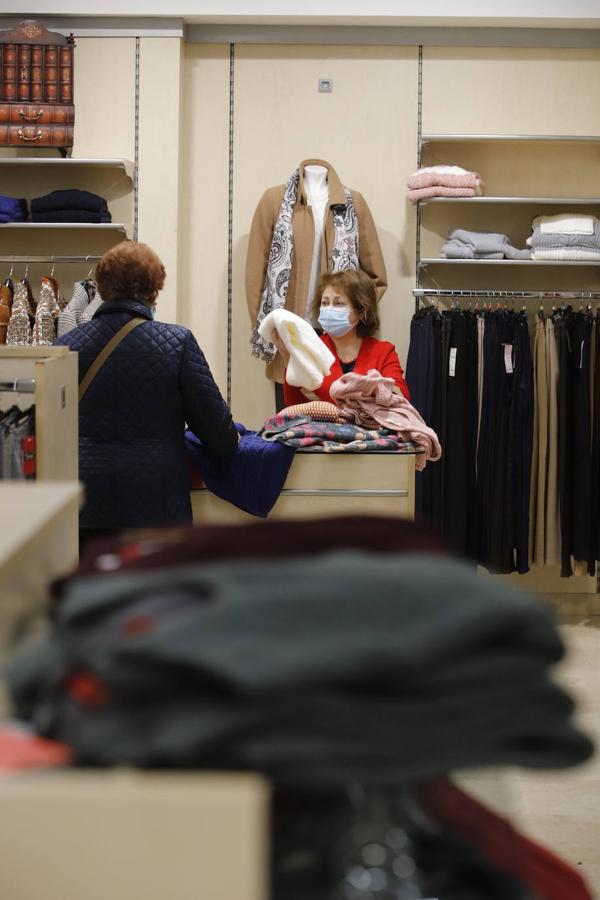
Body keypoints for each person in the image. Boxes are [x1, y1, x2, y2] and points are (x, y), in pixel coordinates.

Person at [55, 240, 238, 543]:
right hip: (157, 503)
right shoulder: (177, 343)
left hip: (82, 501)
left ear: (100, 287)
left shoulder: (65, 346)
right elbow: (218, 436)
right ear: (154, 290)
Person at [276, 268, 410, 407]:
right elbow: (295, 405)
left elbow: (401, 397)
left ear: (361, 311)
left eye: (338, 303)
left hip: (372, 427)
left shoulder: (384, 351)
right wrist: (288, 362)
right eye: (325, 303)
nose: (328, 309)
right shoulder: (311, 348)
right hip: (325, 427)